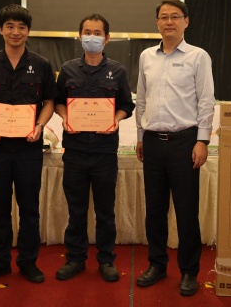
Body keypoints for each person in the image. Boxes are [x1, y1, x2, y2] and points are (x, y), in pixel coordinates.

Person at [0, 4, 57, 284]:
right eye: (10, 26)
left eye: (21, 27)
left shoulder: (41, 64)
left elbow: (49, 102)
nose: (16, 32)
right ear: (0, 30)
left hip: (29, 148)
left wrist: (39, 126)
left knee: (29, 209)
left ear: (28, 31)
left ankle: (28, 262)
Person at [135, 0, 215, 296]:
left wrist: (202, 140)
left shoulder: (198, 56)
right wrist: (140, 136)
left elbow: (206, 101)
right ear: (157, 22)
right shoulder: (146, 56)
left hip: (185, 143)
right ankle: (157, 264)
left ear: (186, 21)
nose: (169, 22)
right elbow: (141, 99)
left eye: (175, 17)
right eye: (163, 17)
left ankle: (189, 271)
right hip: (153, 142)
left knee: (186, 210)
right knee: (154, 209)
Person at [54, 14, 135, 282]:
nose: (92, 37)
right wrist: (65, 117)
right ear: (80, 36)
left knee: (105, 211)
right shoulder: (67, 69)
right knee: (76, 211)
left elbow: (127, 105)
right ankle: (75, 259)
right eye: (87, 32)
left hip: (105, 152)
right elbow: (58, 101)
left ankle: (106, 260)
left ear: (107, 38)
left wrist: (116, 119)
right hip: (75, 151)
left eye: (97, 33)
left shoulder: (118, 71)